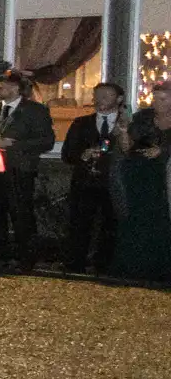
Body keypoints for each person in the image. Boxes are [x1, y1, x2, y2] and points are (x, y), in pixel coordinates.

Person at [0, 68, 56, 272]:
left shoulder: (36, 111)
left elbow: (47, 141)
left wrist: (14, 144)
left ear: (15, 88)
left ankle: (25, 258)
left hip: (19, 170)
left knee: (21, 214)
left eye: (0, 87)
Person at [61, 82, 126, 274]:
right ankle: (75, 264)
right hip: (85, 182)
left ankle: (104, 265)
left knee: (110, 225)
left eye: (106, 95)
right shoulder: (81, 123)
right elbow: (67, 154)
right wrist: (83, 155)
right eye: (97, 95)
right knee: (80, 224)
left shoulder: (127, 124)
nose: (100, 100)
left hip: (113, 183)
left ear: (119, 99)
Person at [113, 80, 171, 283]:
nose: (157, 103)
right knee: (137, 219)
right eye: (155, 98)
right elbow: (127, 146)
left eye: (163, 99)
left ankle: (161, 268)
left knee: (161, 221)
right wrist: (122, 133)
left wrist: (163, 151)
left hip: (163, 175)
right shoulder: (143, 117)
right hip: (138, 173)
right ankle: (136, 267)